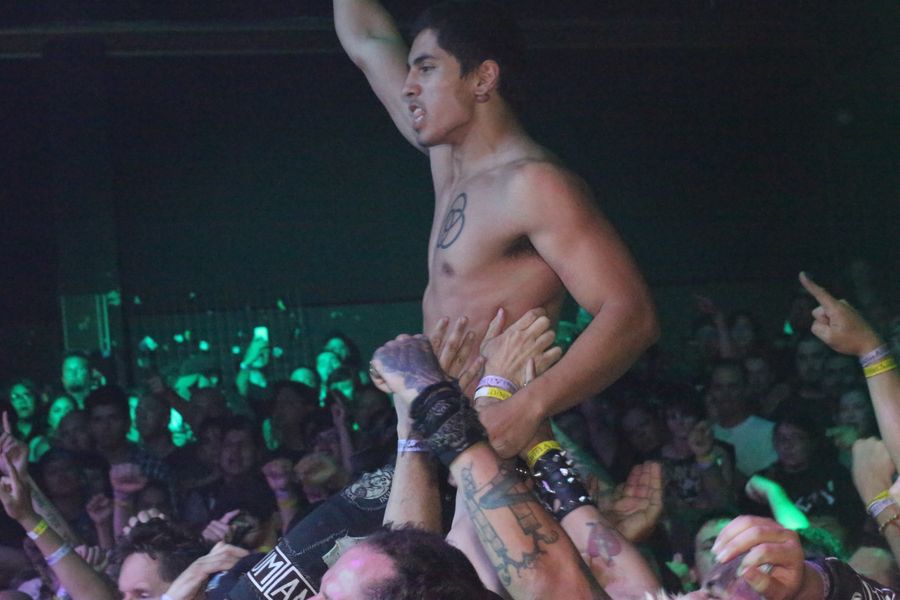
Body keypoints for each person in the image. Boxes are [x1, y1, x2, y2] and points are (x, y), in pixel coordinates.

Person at [334, 0, 658, 457]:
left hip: (502, 446)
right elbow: (367, 40)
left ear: (483, 79)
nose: (408, 86)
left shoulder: (532, 184)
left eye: (425, 69)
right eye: (410, 71)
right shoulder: (448, 162)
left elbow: (632, 315)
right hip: (442, 436)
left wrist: (525, 408)